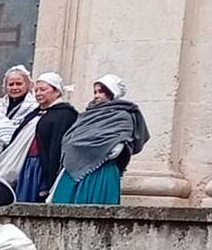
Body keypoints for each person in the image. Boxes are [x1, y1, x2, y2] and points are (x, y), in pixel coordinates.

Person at [50, 74, 148, 205]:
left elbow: (122, 139)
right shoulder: (86, 115)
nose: (96, 95)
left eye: (101, 91)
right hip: (75, 168)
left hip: (101, 169)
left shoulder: (122, 116)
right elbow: (71, 139)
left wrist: (117, 145)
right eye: (95, 92)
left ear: (112, 92)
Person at [13, 73, 78, 204]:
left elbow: (58, 146)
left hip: (43, 164)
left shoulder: (65, 115)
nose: (38, 93)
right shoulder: (34, 114)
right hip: (27, 163)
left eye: (43, 90)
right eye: (36, 90)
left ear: (56, 91)